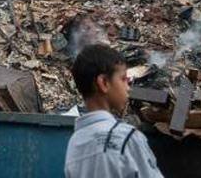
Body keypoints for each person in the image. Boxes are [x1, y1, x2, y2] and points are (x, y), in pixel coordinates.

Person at [64, 44, 163, 178]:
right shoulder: (127, 137)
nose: (128, 88)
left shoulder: (75, 143)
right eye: (123, 79)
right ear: (103, 82)